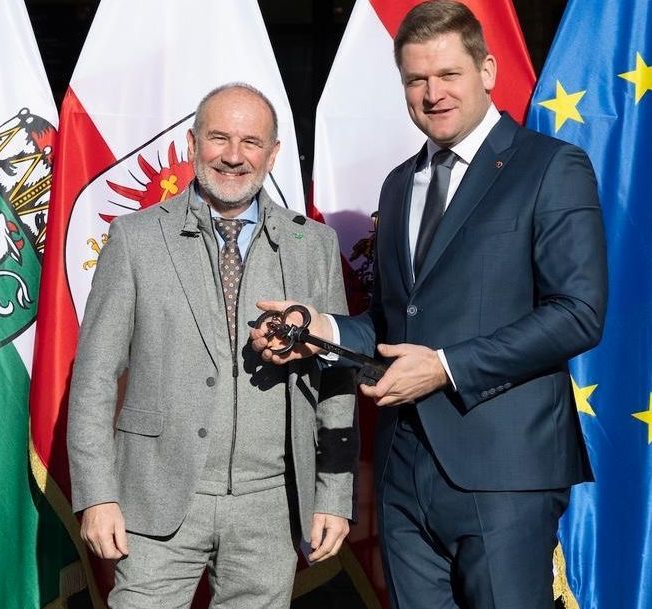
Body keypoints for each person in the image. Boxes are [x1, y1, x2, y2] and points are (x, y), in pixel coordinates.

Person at [251, 2, 607, 608]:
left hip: (504, 471)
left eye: (448, 74)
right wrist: (319, 328)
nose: (432, 93)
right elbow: (394, 321)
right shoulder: (398, 184)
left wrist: (445, 367)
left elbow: (578, 312)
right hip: (403, 469)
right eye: (416, 79)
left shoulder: (551, 167)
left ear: (487, 71)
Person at [67, 82, 358, 609]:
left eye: (251, 142)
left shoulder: (313, 245)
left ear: (273, 153)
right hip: (153, 500)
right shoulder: (135, 238)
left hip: (271, 507)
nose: (233, 156)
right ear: (193, 142)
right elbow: (93, 377)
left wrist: (334, 495)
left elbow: (335, 379)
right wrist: (97, 494)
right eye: (219, 138)